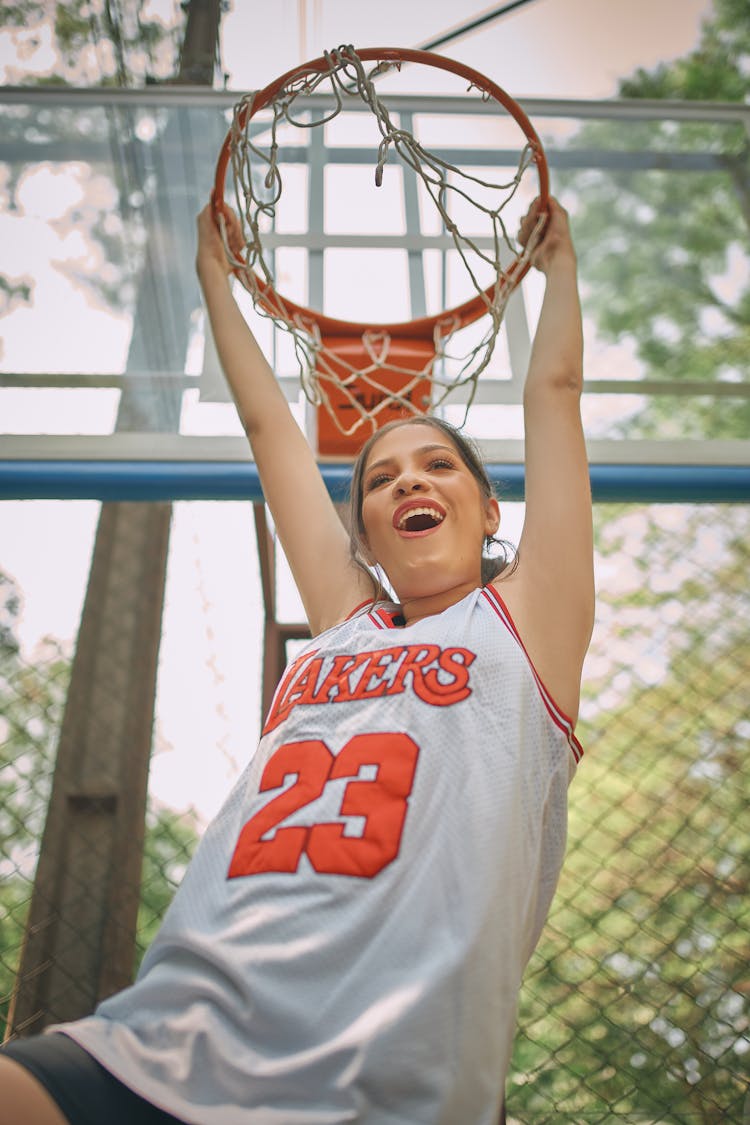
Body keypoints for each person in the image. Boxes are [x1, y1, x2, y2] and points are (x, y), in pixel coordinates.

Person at [0, 194, 594, 1125]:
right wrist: (214, 276)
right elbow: (270, 427)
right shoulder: (346, 621)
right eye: (381, 477)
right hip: (174, 1034)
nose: (407, 479)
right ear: (360, 532)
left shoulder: (525, 620)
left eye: (438, 465)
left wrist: (559, 270)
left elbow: (552, 393)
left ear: (489, 511)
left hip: (385, 1082)